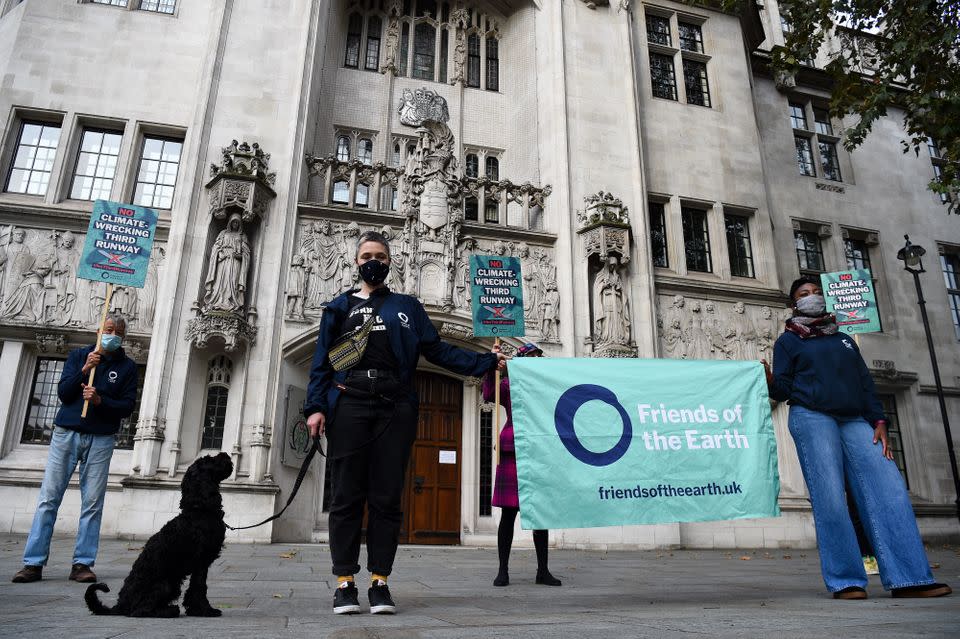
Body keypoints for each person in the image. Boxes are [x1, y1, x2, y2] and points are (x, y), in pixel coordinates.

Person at [305, 231, 504, 615]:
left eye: (379, 255)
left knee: (386, 498)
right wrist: (315, 407)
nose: (373, 261)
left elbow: (437, 350)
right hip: (349, 405)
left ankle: (380, 582)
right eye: (366, 256)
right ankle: (345, 583)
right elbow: (320, 365)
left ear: (390, 261)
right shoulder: (337, 309)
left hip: (395, 408)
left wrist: (483, 362)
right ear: (357, 262)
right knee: (345, 496)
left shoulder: (407, 307)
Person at [764, 276, 951, 600]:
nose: (812, 298)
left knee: (890, 490)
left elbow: (864, 382)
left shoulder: (844, 339)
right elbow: (782, 388)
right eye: (804, 295)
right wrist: (768, 381)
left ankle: (910, 578)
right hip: (812, 416)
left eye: (815, 293)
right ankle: (846, 580)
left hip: (855, 419)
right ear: (795, 305)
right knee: (831, 498)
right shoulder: (789, 341)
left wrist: (879, 419)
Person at [12, 314, 138, 584]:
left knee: (92, 503)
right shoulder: (79, 356)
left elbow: (127, 407)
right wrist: (84, 370)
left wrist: (101, 400)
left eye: (118, 331)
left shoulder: (127, 367)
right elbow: (63, 393)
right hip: (66, 434)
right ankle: (32, 563)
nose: (113, 334)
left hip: (101, 439)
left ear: (123, 337)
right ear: (98, 331)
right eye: (109, 329)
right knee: (49, 498)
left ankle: (82, 563)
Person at [485, 341, 561, 588]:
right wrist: (492, 366)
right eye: (532, 357)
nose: (537, 361)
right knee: (508, 514)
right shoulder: (509, 385)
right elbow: (489, 394)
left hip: (539, 451)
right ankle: (502, 570)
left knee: (540, 516)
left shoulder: (546, 389)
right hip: (514, 450)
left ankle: (543, 570)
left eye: (539, 357)